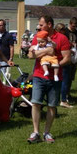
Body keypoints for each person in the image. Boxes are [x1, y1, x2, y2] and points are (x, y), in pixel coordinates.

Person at [27, 15, 71, 144]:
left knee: (52, 105)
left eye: (41, 25)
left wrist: (55, 65)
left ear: (49, 24)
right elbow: (30, 55)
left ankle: (46, 132)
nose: (38, 27)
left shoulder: (62, 38)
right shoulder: (37, 37)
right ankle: (35, 132)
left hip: (55, 78)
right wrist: (48, 50)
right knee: (36, 103)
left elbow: (67, 58)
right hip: (39, 75)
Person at [61, 17, 77, 105]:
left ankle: (68, 94)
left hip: (74, 57)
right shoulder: (65, 32)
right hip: (66, 56)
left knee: (70, 78)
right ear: (70, 24)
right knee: (65, 77)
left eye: (76, 26)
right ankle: (63, 95)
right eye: (73, 26)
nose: (74, 28)